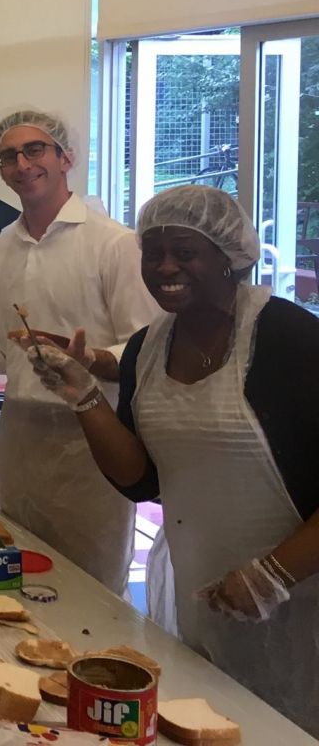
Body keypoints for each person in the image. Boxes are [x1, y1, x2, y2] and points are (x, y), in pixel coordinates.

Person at [27, 185, 319, 735]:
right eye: (153, 253)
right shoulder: (147, 348)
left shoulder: (290, 340)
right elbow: (141, 478)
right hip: (204, 594)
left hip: (304, 601)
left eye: (185, 252)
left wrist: (272, 575)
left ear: (228, 257)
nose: (165, 267)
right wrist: (83, 395)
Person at [0, 106, 158, 593]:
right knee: (20, 570)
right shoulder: (6, 244)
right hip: (21, 438)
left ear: (66, 157)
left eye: (35, 150)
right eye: (8, 156)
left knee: (92, 586)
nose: (22, 164)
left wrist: (90, 361)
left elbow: (148, 350)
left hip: (92, 440)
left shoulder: (113, 244)